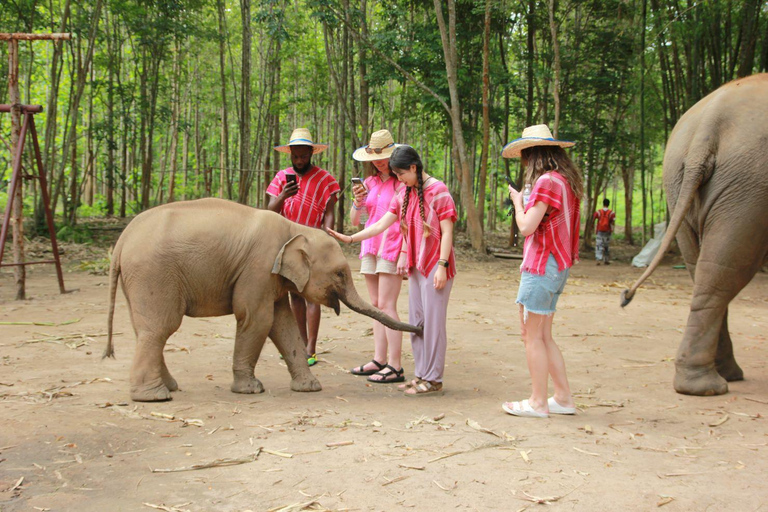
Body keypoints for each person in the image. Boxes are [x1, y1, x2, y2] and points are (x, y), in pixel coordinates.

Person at [328, 145, 457, 396]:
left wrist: (442, 265)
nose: (398, 179)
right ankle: (421, 374)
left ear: (413, 167)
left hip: (435, 265)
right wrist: (350, 239)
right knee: (418, 323)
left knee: (433, 323)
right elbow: (379, 225)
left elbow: (447, 231)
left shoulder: (438, 191)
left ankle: (433, 379)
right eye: (396, 175)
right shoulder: (406, 193)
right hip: (417, 266)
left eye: (401, 174)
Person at [500, 124, 582, 418]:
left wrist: (517, 202)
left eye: (524, 155)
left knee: (531, 335)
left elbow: (525, 227)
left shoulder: (547, 182)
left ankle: (538, 402)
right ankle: (563, 398)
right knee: (544, 336)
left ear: (533, 154)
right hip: (557, 266)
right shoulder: (564, 180)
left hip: (542, 265)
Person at [267, 128, 340, 366]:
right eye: (295, 156)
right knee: (294, 296)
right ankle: (299, 340)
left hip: (313, 241)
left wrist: (327, 236)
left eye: (303, 156)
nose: (299, 161)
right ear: (290, 154)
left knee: (312, 296)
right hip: (287, 242)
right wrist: (283, 196)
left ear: (311, 153)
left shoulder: (325, 179)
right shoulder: (281, 177)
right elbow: (269, 212)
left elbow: (329, 212)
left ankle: (311, 347)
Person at [348, 130, 406, 383]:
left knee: (387, 304)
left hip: (392, 244)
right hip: (370, 245)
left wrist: (405, 250)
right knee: (375, 304)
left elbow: (408, 220)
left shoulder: (402, 182)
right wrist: (358, 202)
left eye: (384, 156)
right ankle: (379, 359)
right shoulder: (369, 183)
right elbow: (356, 222)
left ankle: (396, 365)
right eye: (375, 157)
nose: (379, 162)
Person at [592, 198, 615, 265]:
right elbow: (612, 222)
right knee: (606, 245)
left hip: (599, 230)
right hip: (607, 231)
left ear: (603, 203)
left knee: (599, 245)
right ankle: (606, 260)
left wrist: (592, 226)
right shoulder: (611, 213)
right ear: (608, 204)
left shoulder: (598, 212)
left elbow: (593, 218)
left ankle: (598, 259)